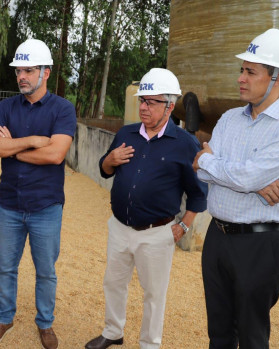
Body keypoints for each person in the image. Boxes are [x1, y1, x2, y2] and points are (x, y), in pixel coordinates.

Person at [193, 28, 279, 349]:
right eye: (241, 70)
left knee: (252, 336)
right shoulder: (229, 118)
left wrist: (211, 163)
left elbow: (241, 176)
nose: (241, 78)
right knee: (218, 335)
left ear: (278, 78)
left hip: (261, 245)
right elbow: (208, 175)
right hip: (217, 239)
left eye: (251, 71)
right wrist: (249, 178)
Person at [85, 68, 208, 349]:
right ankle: (113, 332)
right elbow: (105, 169)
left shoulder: (185, 144)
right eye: (142, 100)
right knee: (113, 284)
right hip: (119, 227)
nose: (143, 107)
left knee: (154, 294)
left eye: (151, 102)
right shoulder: (126, 133)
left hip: (157, 233)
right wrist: (111, 159)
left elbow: (199, 192)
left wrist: (184, 226)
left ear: (170, 105)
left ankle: (150, 344)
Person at [0, 39, 77, 349]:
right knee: (5, 266)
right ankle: (4, 317)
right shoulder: (7, 106)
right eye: (18, 70)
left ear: (45, 72)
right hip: (8, 203)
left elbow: (55, 155)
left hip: (46, 206)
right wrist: (35, 140)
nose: (22, 76)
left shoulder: (63, 108)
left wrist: (12, 149)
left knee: (46, 271)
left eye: (29, 69)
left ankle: (45, 323)